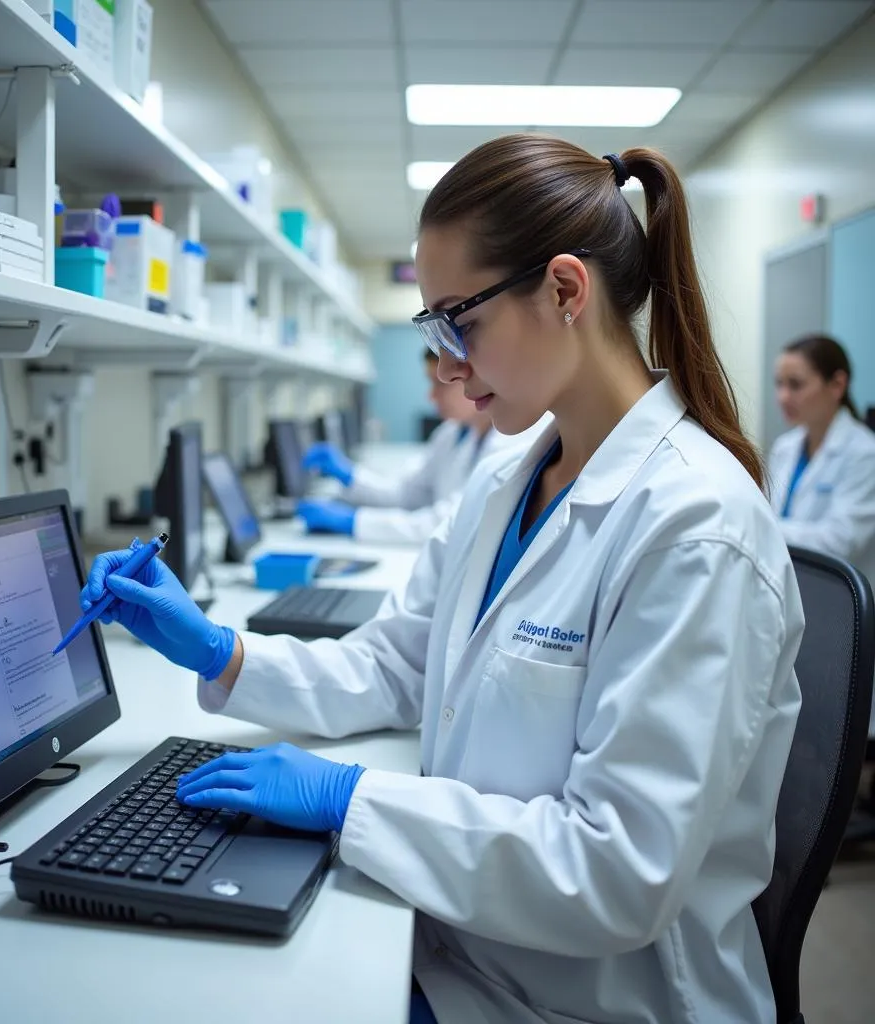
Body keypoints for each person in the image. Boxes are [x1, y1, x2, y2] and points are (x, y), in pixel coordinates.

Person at [83, 134, 804, 1024]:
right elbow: (398, 665)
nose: (448, 365)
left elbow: (618, 873)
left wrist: (352, 799)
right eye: (434, 329)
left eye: (458, 321)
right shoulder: (507, 480)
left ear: (567, 291)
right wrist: (222, 650)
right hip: (467, 954)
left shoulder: (697, 530)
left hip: (596, 1003)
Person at [297, 348, 522, 544]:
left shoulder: (509, 443)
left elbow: (449, 523)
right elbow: (410, 495)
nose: (431, 396)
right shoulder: (451, 433)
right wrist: (350, 476)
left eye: (440, 384)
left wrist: (354, 522)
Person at [769, 333, 875, 735]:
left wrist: (762, 527)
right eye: (779, 383)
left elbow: (839, 541)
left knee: (836, 728)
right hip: (794, 599)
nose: (783, 396)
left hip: (838, 611)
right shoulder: (785, 447)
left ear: (837, 385)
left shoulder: (865, 454)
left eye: (796, 384)